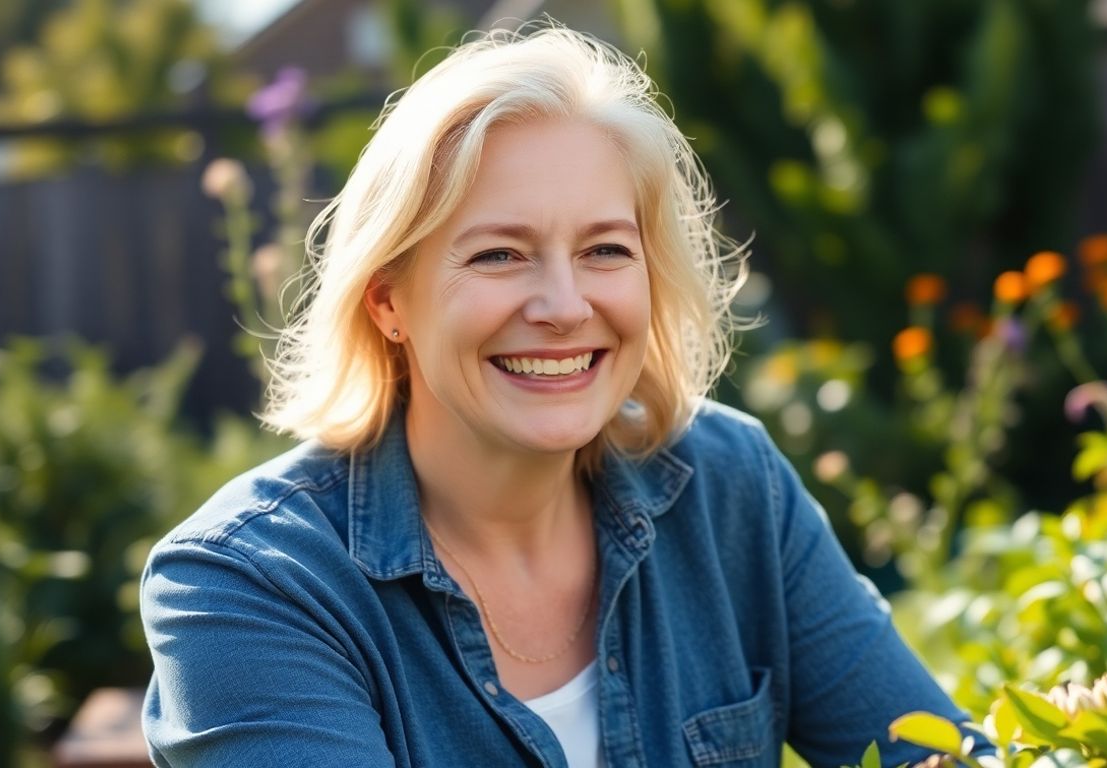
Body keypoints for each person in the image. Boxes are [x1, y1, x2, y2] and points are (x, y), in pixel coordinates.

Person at [140, 26, 987, 768]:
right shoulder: (247, 586)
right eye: (499, 255)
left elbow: (939, 756)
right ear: (388, 301)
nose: (564, 306)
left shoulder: (731, 487)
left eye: (605, 250)